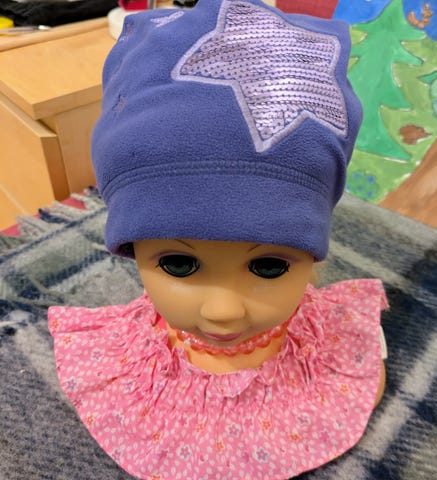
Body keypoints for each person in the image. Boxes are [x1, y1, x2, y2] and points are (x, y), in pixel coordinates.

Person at [48, 1, 388, 478]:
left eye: (269, 265)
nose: (223, 311)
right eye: (178, 264)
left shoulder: (332, 358)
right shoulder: (121, 369)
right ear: (130, 247)